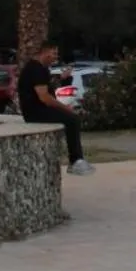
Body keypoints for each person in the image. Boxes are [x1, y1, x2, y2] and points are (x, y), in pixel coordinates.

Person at [16, 41, 93, 175]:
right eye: (54, 53)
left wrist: (64, 79)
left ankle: (77, 160)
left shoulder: (41, 69)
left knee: (71, 118)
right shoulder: (36, 69)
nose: (55, 57)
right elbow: (44, 97)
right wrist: (66, 109)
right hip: (35, 113)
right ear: (45, 52)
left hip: (39, 110)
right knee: (72, 119)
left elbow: (49, 90)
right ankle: (75, 161)